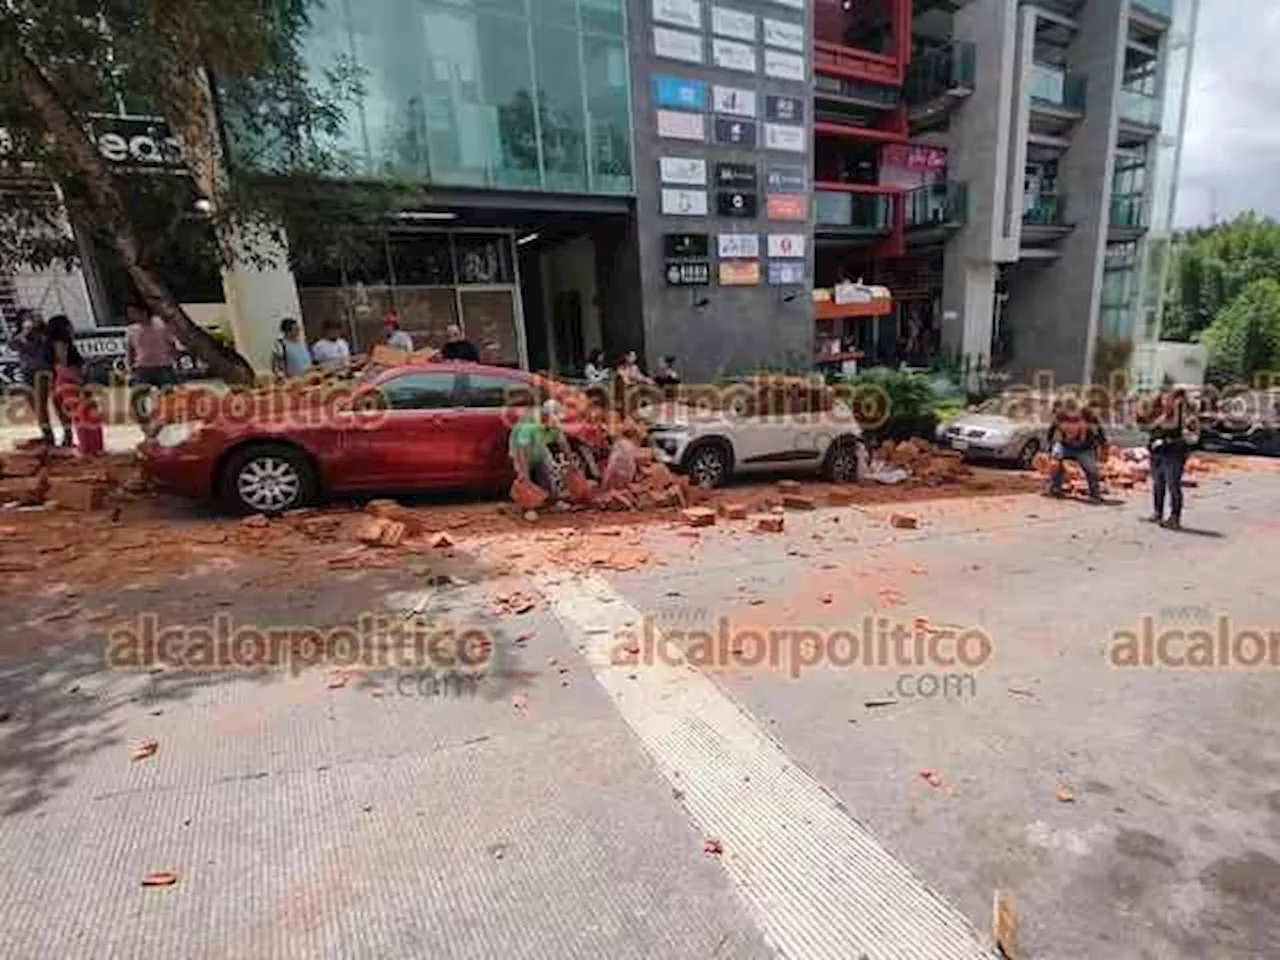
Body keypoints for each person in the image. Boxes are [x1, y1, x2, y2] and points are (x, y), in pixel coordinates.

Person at [1143, 387, 1198, 530]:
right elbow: (1149, 428)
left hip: (1174, 454)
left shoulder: (1186, 417)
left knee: (1173, 485)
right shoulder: (1161, 416)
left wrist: (1167, 442)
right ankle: (1158, 513)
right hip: (1157, 454)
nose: (1165, 402)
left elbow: (1192, 438)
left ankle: (1175, 517)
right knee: (1158, 484)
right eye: (1163, 399)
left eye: (1168, 399)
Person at [509, 398, 572, 503]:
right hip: (522, 454)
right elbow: (521, 451)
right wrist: (524, 472)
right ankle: (526, 505)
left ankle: (552, 501)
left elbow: (563, 443)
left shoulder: (555, 426)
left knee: (548, 478)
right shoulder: (528, 427)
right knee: (525, 480)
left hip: (539, 450)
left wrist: (571, 463)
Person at [1045, 399, 1103, 502]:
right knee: (1055, 463)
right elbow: (1051, 431)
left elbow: (1099, 430)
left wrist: (1101, 444)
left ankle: (1094, 493)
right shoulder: (1060, 416)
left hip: (1084, 449)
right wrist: (1050, 449)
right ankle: (1055, 487)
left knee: (1091, 469)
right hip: (1065, 446)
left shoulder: (1087, 415)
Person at [12, 309, 55, 445]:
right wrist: (25, 332)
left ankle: (50, 435)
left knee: (41, 404)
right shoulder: (20, 335)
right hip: (28, 372)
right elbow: (14, 345)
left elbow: (47, 344)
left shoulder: (43, 333)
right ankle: (46, 433)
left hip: (42, 371)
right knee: (35, 406)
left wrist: (37, 327)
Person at [44, 316, 84, 448]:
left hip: (58, 379)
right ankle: (79, 439)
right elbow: (62, 364)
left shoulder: (50, 343)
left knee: (62, 410)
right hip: (67, 379)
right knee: (77, 412)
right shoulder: (61, 342)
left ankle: (68, 437)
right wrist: (78, 380)